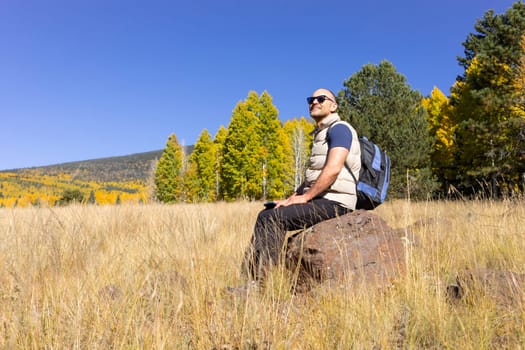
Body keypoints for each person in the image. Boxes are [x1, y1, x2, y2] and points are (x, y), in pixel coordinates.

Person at [241, 88, 361, 282]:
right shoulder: (321, 134)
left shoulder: (340, 129)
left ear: (333, 106)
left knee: (273, 219)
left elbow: (333, 169)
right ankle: (253, 278)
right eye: (311, 99)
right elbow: (312, 178)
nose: (314, 102)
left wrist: (305, 197)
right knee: (265, 214)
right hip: (322, 200)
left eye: (321, 99)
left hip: (336, 202)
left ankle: (263, 282)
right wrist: (290, 199)